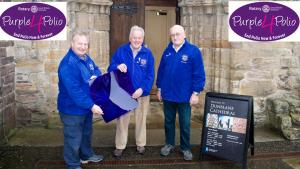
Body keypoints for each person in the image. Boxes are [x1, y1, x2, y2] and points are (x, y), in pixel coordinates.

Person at [156, 25, 206, 161]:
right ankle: (169, 144)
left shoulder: (193, 51)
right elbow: (161, 72)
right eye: (172, 35)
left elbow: (199, 74)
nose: (175, 37)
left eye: (178, 34)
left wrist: (196, 93)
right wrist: (159, 89)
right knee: (168, 122)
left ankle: (185, 147)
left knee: (184, 124)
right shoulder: (167, 51)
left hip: (185, 96)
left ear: (184, 34)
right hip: (168, 95)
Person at [57, 31, 104, 169]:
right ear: (72, 43)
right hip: (71, 109)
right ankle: (72, 164)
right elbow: (75, 91)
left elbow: (96, 70)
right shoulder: (67, 64)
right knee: (73, 139)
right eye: (80, 43)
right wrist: (92, 106)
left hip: (85, 107)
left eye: (85, 44)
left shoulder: (85, 58)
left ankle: (86, 156)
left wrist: (95, 76)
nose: (83, 47)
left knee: (86, 134)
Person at [107, 25, 155, 158]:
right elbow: (110, 68)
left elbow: (150, 75)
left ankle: (141, 143)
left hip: (141, 94)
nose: (137, 40)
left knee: (141, 119)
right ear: (130, 38)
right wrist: (117, 66)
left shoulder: (148, 53)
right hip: (124, 93)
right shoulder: (121, 51)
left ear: (143, 39)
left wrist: (143, 89)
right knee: (122, 120)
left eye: (139, 38)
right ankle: (120, 146)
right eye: (134, 37)